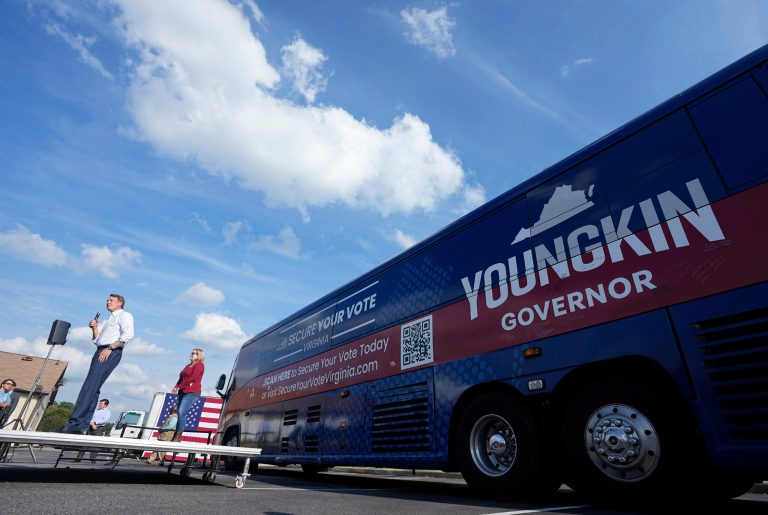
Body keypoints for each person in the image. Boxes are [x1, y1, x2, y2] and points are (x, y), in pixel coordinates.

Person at [61, 294, 134, 434]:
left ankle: (74, 423)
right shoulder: (108, 320)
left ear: (120, 303)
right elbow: (96, 340)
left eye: (111, 300)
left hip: (110, 351)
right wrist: (94, 329)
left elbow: (128, 335)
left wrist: (110, 348)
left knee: (89, 386)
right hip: (101, 350)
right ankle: (82, 426)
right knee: (93, 388)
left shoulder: (124, 316)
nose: (108, 302)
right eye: (107, 300)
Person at [170, 348, 205, 442]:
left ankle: (178, 437)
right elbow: (181, 377)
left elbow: (192, 378)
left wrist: (180, 386)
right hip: (182, 391)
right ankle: (176, 435)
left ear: (199, 356)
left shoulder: (200, 365)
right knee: (179, 413)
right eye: (191, 352)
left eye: (194, 353)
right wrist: (176, 386)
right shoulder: (188, 365)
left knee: (182, 412)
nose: (191, 354)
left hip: (192, 392)